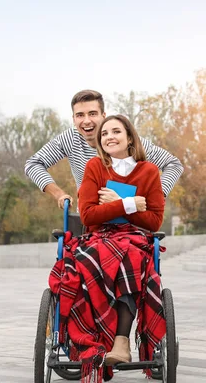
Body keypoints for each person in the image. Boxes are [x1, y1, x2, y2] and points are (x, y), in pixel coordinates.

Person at [49, 115, 167, 383]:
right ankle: (95, 340)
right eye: (104, 134)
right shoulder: (95, 167)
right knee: (88, 258)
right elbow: (89, 216)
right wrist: (128, 203)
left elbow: (153, 220)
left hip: (133, 237)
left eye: (116, 131)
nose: (109, 137)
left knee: (132, 256)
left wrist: (113, 203)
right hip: (97, 236)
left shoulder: (148, 171)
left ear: (129, 137)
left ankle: (121, 342)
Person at [25, 89, 183, 210]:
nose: (87, 121)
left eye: (92, 114)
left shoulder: (125, 140)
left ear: (103, 115)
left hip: (130, 217)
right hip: (92, 218)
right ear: (73, 119)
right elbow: (33, 164)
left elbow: (173, 164)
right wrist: (59, 194)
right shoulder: (70, 139)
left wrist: (154, 196)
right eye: (80, 115)